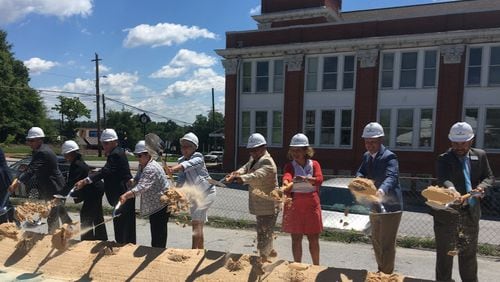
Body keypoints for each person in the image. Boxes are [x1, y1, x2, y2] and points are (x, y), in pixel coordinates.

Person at [432, 122, 494, 282]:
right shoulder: (444, 158)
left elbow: (489, 177)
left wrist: (481, 187)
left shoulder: (480, 155)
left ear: (471, 140)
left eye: (463, 143)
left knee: (468, 256)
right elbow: (443, 177)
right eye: (455, 143)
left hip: (470, 214)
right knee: (445, 255)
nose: (459, 147)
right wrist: (451, 189)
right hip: (447, 214)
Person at [355, 122, 403, 274]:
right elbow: (361, 172)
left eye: (373, 142)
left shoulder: (390, 157)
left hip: (391, 207)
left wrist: (381, 190)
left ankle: (387, 274)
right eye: (367, 142)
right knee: (376, 240)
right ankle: (381, 270)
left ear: (381, 140)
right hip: (375, 205)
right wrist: (358, 181)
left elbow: (392, 177)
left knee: (387, 243)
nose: (370, 145)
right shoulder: (367, 156)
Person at [226, 133, 279, 265]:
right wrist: (237, 173)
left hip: (269, 204)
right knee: (265, 231)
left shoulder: (267, 162)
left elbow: (256, 175)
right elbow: (246, 167)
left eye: (255, 150)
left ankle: (263, 261)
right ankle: (269, 253)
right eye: (251, 150)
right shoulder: (255, 158)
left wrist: (241, 179)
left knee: (263, 234)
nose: (253, 152)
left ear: (264, 147)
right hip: (261, 203)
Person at [75, 128, 135, 244]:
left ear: (114, 142)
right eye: (103, 143)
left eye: (106, 143)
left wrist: (85, 181)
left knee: (121, 226)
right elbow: (109, 170)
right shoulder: (116, 152)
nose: (104, 146)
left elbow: (105, 172)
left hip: (122, 195)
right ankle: (125, 245)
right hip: (123, 195)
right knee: (124, 226)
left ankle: (122, 247)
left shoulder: (115, 154)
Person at [9, 127, 72, 233]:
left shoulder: (42, 152)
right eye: (28, 140)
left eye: (32, 140)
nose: (29, 143)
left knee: (52, 215)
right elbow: (36, 166)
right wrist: (27, 167)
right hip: (55, 187)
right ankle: (71, 231)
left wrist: (19, 182)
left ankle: (53, 238)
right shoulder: (41, 150)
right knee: (60, 212)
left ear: (40, 139)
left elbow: (32, 170)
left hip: (54, 188)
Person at [166, 132, 216, 249]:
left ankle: (193, 252)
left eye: (188, 146)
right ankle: (200, 251)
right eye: (183, 146)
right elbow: (181, 179)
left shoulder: (198, 157)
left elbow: (189, 164)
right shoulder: (181, 160)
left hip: (208, 193)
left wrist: (173, 168)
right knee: (199, 225)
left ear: (194, 147)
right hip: (196, 196)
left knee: (195, 223)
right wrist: (175, 193)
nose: (184, 149)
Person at [281, 133, 323, 265]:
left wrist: (307, 179)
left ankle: (316, 266)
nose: (295, 153)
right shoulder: (290, 166)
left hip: (311, 205)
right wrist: (286, 183)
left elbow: (320, 179)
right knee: (296, 238)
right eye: (293, 150)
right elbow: (287, 177)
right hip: (295, 205)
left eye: (298, 150)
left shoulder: (314, 164)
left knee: (313, 239)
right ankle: (297, 265)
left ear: (306, 150)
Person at [120, 140, 170, 248]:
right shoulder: (142, 165)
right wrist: (133, 180)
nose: (137, 158)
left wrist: (125, 195)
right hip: (155, 204)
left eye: (139, 155)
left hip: (161, 204)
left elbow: (141, 188)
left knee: (159, 233)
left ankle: (158, 254)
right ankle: (155, 251)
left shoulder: (151, 168)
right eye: (136, 155)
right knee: (155, 230)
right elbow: (139, 178)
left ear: (148, 155)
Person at [61, 140, 107, 241]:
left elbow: (71, 183)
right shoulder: (76, 162)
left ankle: (87, 239)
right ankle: (101, 238)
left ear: (71, 153)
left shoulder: (77, 165)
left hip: (94, 191)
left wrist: (60, 195)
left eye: (65, 154)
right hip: (95, 189)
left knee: (86, 215)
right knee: (96, 215)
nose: (65, 157)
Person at [0, 147, 15, 224]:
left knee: (2, 207)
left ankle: (5, 228)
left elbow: (4, 167)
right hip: (4, 180)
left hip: (3, 181)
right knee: (6, 204)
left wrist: (11, 183)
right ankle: (13, 222)